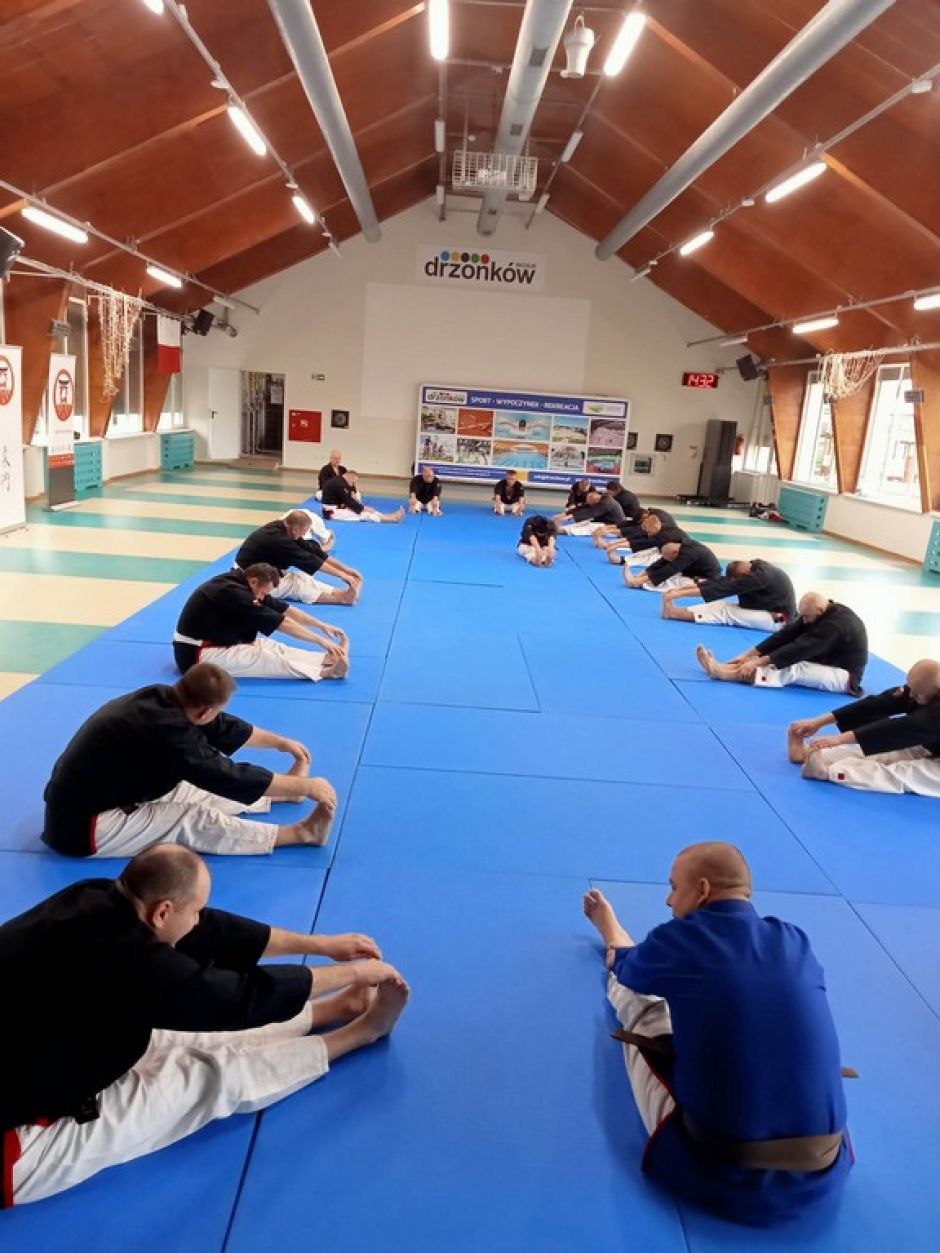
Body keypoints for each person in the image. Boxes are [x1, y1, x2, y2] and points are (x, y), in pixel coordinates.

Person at [0, 844, 410, 1206]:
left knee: (180, 1025)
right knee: (205, 1078)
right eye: (193, 912)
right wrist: (354, 973)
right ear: (162, 912)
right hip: (13, 1145)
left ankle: (331, 1010)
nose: (196, 921)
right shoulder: (130, 959)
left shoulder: (94, 896)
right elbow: (233, 999)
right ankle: (359, 1033)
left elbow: (209, 932)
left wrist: (318, 945)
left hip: (41, 1044)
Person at [582, 842, 851, 1226]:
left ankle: (615, 931)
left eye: (674, 887)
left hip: (721, 1173)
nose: (668, 900)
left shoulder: (681, 940)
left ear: (703, 890)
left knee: (644, 1008)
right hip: (823, 1168)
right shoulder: (794, 940)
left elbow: (627, 971)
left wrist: (615, 942)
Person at [42, 664, 338, 858]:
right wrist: (307, 785)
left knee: (195, 790)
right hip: (82, 827)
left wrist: (280, 742)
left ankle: (282, 796)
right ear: (204, 711)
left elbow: (221, 726)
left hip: (116, 792)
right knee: (191, 819)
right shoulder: (167, 732)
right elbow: (224, 774)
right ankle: (301, 833)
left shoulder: (164, 698)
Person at [788, 658, 940, 795]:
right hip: (929, 744)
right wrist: (818, 722)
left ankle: (828, 773)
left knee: (903, 773)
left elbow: (903, 726)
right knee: (881, 752)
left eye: (917, 693)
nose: (911, 695)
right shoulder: (921, 688)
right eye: (911, 689)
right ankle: (807, 755)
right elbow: (878, 703)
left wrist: (839, 739)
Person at [174, 565, 348, 683]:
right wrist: (320, 640)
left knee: (271, 646)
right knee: (262, 657)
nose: (263, 597)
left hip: (217, 641)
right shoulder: (233, 593)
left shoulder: (243, 583)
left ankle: (325, 659)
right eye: (263, 593)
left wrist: (321, 625)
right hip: (195, 655)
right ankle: (326, 673)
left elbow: (284, 609)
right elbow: (283, 623)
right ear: (253, 581)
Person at [695, 592, 867, 693]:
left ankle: (726, 674)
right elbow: (785, 635)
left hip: (844, 676)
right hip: (825, 660)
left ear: (820, 611)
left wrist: (758, 662)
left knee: (792, 666)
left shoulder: (836, 625)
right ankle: (723, 668)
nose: (804, 621)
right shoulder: (819, 611)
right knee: (766, 657)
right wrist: (748, 655)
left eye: (806, 617)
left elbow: (800, 648)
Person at [235, 512, 363, 606]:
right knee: (295, 585)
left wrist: (346, 570)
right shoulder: (279, 540)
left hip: (261, 572)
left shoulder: (285, 528)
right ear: (295, 530)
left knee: (303, 577)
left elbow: (312, 551)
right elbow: (309, 560)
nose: (305, 534)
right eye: (305, 531)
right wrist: (342, 575)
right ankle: (341, 599)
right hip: (248, 581)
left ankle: (338, 592)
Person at [661, 558, 796, 629]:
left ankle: (673, 613)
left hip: (780, 619)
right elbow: (720, 582)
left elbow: (722, 589)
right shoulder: (754, 566)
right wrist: (680, 590)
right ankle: (676, 611)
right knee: (719, 605)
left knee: (726, 612)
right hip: (769, 609)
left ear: (743, 576)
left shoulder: (757, 578)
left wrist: (679, 595)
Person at [623, 538, 720, 592]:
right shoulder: (680, 545)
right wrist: (641, 574)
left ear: (675, 553)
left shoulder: (688, 554)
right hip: (692, 572)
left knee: (672, 582)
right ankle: (637, 581)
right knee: (665, 574)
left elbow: (668, 570)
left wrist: (637, 581)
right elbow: (663, 561)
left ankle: (637, 584)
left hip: (707, 579)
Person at [597, 508, 685, 565]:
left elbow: (641, 543)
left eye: (649, 532)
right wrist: (614, 544)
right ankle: (622, 559)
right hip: (668, 546)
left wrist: (615, 545)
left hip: (679, 554)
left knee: (652, 555)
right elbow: (639, 535)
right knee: (649, 549)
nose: (648, 534)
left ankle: (622, 560)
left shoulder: (663, 535)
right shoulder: (655, 524)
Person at [321, 470, 404, 523]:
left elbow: (348, 499)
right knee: (363, 514)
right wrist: (364, 508)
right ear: (350, 477)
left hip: (339, 507)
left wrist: (363, 507)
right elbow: (349, 502)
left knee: (368, 510)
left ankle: (389, 516)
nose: (353, 485)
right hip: (331, 512)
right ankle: (391, 519)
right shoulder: (339, 484)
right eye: (353, 482)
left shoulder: (341, 480)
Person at [553, 488, 625, 535]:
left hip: (615, 527)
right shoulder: (600, 498)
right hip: (604, 522)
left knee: (591, 527)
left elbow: (589, 512)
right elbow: (584, 507)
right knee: (585, 523)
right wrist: (565, 514)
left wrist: (565, 518)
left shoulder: (607, 503)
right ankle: (562, 529)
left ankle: (565, 531)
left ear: (596, 500)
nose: (589, 505)